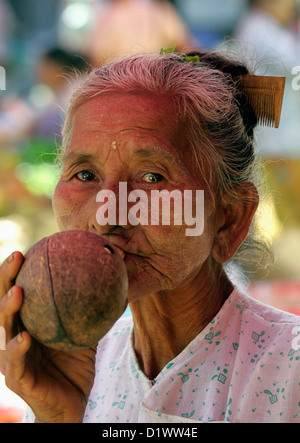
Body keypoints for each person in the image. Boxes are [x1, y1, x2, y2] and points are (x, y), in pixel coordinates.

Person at [0, 50, 299, 423]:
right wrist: (57, 416)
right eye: (85, 175)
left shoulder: (289, 371)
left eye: (152, 178)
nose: (106, 215)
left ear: (229, 218)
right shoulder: (77, 363)